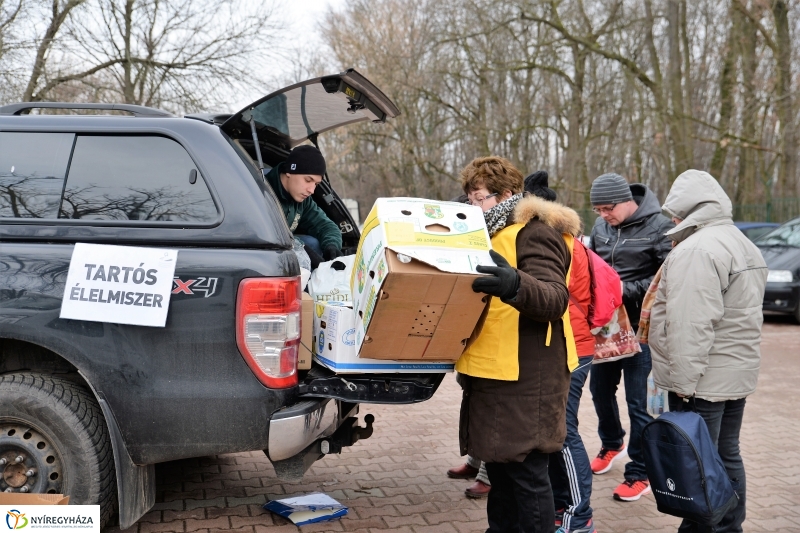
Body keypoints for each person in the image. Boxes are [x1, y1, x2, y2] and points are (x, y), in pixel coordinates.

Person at [455, 156, 577, 533]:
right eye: (469, 199)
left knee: (527, 474)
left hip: (529, 373)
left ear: (507, 194)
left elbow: (555, 298)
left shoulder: (534, 232)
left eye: (480, 198)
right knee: (501, 469)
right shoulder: (488, 234)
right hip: (495, 371)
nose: (473, 206)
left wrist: (514, 284)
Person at [649, 170, 767, 533]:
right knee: (725, 454)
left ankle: (704, 528)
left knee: (699, 462)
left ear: (691, 209)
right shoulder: (741, 242)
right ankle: (729, 527)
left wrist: (684, 384)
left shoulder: (697, 250)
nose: (672, 219)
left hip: (702, 379)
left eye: (676, 212)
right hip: (733, 373)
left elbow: (689, 324)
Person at [587, 173, 674, 502]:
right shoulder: (601, 228)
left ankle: (640, 471)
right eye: (597, 210)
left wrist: (625, 290)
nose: (603, 215)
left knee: (640, 404)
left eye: (608, 208)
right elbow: (593, 267)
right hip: (607, 329)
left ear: (627, 201)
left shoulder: (660, 226)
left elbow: (667, 277)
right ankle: (612, 443)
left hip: (641, 330)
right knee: (599, 392)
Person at [525, 171, 597, 533]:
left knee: (563, 431)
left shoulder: (557, 242)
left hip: (573, 347)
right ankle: (561, 505)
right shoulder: (567, 239)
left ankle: (578, 516)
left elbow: (553, 298)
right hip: (567, 344)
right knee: (554, 430)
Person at [263, 145, 343, 266]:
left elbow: (326, 226)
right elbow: (266, 235)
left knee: (314, 243)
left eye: (316, 184)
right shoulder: (262, 192)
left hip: (286, 251)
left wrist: (332, 246)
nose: (312, 190)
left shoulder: (304, 201)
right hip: (265, 259)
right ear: (290, 171)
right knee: (310, 245)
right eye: (308, 180)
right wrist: (302, 248)